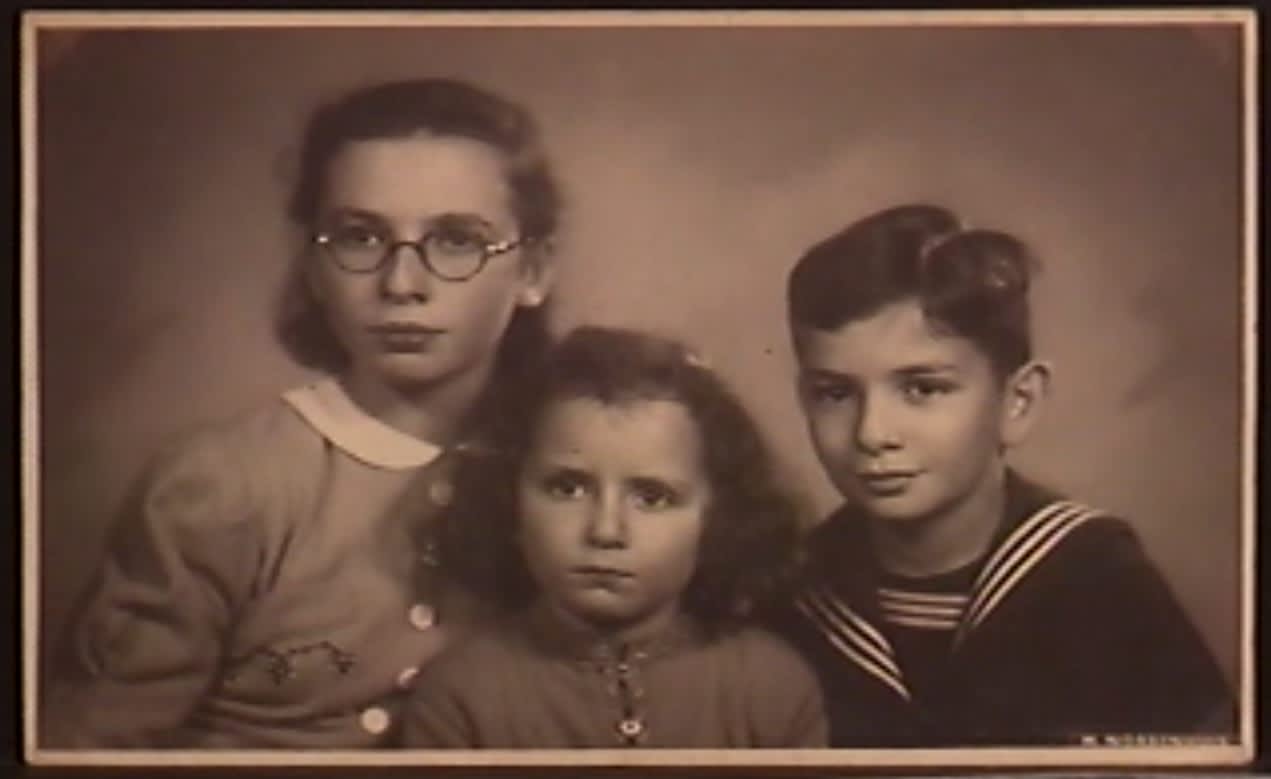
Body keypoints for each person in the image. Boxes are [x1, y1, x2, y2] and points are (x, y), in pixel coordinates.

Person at [40, 77, 562, 749]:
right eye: (361, 238)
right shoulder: (222, 484)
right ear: (313, 268)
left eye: (457, 240)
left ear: (533, 271)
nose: (402, 284)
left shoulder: (567, 472)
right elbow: (90, 745)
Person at [769, 204, 1234, 747]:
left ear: (1018, 402)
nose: (872, 433)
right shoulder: (793, 594)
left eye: (922, 389)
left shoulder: (1097, 582)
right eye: (836, 394)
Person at [401, 326, 828, 749]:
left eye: (652, 498)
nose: (605, 531)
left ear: (717, 517)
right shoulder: (463, 696)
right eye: (567, 489)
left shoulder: (772, 689)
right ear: (511, 498)